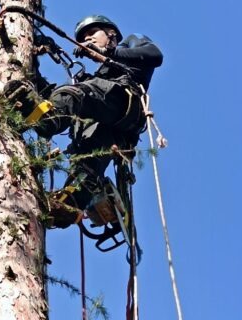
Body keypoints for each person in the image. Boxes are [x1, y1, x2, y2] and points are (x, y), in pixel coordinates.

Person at [23, 15, 163, 211]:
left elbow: (155, 55)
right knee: (88, 159)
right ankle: (71, 204)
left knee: (74, 94)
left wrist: (109, 52)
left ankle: (48, 119)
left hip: (125, 101)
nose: (87, 39)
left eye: (91, 33)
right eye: (83, 38)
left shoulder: (129, 44)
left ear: (110, 33)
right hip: (112, 127)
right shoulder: (100, 76)